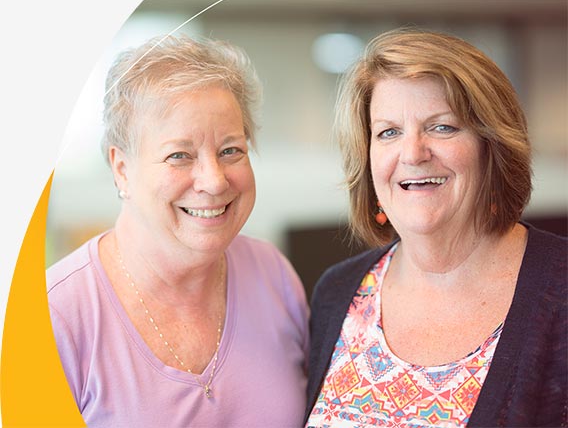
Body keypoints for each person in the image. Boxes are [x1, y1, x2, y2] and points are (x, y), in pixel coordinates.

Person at [305, 28, 567, 427]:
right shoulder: (336, 293)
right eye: (388, 132)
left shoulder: (561, 289)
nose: (412, 153)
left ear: (490, 145)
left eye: (442, 127)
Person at [47, 35, 309, 427]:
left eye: (230, 150)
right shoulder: (55, 316)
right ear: (121, 168)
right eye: (179, 156)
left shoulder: (275, 275)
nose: (214, 181)